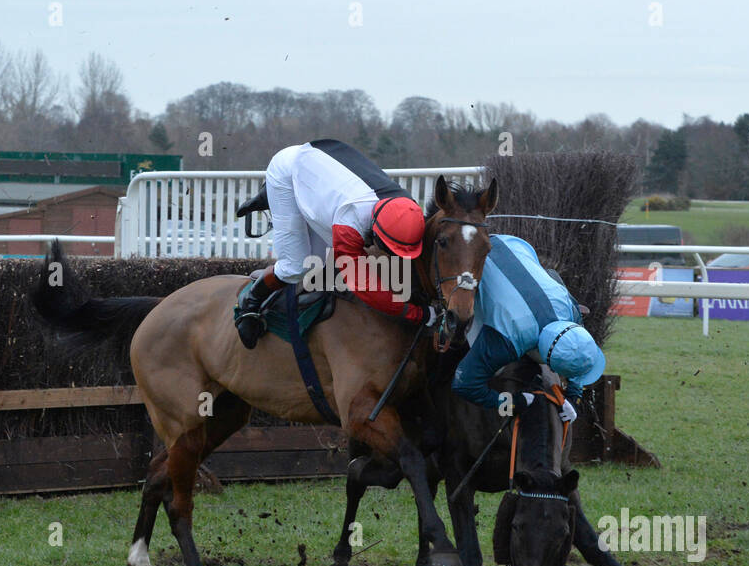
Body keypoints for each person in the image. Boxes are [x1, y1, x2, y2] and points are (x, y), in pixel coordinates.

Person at [235, 139, 434, 349]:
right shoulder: (349, 224)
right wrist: (417, 314)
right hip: (288, 172)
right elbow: (365, 287)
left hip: (319, 167)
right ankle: (251, 300)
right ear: (376, 229)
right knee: (300, 266)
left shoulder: (407, 207)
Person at [451, 233, 604, 421]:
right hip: (464, 259)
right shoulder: (506, 340)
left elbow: (577, 351)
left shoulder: (569, 310)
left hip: (514, 243)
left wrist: (573, 397)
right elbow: (464, 385)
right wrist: (514, 403)